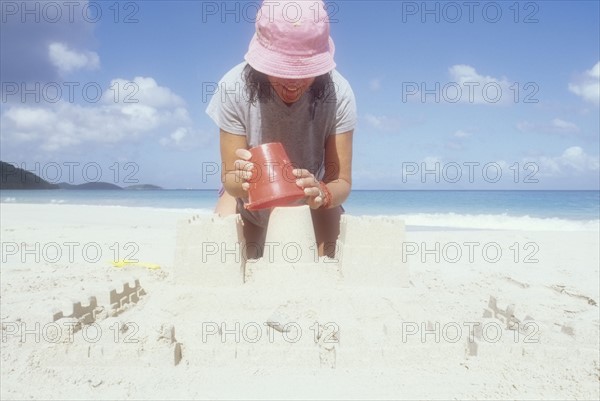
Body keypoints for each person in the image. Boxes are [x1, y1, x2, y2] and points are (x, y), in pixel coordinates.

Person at [206, 0, 356, 258]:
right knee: (222, 258)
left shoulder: (338, 94)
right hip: (248, 199)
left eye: (304, 72)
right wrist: (242, 180)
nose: (292, 83)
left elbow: (340, 181)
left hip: (312, 203)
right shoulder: (233, 87)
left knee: (332, 263)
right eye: (282, 70)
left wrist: (323, 192)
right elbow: (230, 177)